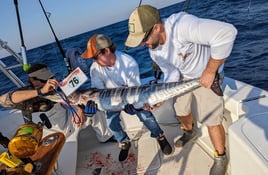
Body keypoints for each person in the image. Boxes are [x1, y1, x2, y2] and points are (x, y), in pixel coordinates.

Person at [125, 5, 237, 175]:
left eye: (143, 38)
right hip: (185, 78)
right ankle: (189, 131)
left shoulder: (182, 25)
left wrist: (210, 71)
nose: (142, 44)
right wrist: (161, 97)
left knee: (211, 120)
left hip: (208, 75)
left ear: (157, 27)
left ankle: (220, 156)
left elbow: (227, 33)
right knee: (180, 110)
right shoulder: (153, 50)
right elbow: (171, 72)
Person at [81, 34, 172, 162]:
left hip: (131, 98)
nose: (94, 61)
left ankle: (160, 136)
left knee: (146, 116)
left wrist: (132, 106)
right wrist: (90, 106)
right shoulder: (95, 69)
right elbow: (98, 93)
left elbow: (134, 90)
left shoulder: (128, 62)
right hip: (111, 101)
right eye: (92, 58)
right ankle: (124, 142)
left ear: (107, 51)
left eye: (95, 57)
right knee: (111, 123)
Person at [0, 64, 88, 136]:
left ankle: (102, 139)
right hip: (49, 135)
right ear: (33, 80)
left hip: (70, 124)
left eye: (51, 78)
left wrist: (80, 110)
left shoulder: (56, 86)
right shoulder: (26, 94)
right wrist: (41, 91)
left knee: (95, 112)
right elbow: (3, 100)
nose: (51, 82)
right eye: (45, 80)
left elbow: (79, 97)